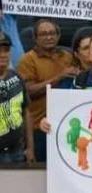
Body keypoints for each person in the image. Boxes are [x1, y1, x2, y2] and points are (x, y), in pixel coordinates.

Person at [17, 19, 76, 162]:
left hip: (65, 125)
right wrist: (59, 77)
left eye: (52, 33)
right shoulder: (27, 60)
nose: (49, 37)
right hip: (39, 128)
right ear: (35, 38)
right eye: (43, 34)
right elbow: (28, 91)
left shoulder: (68, 56)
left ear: (58, 35)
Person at [0, 35, 28, 164]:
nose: (3, 54)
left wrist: (30, 148)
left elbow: (26, 112)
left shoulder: (16, 76)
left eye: (6, 50)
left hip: (17, 151)